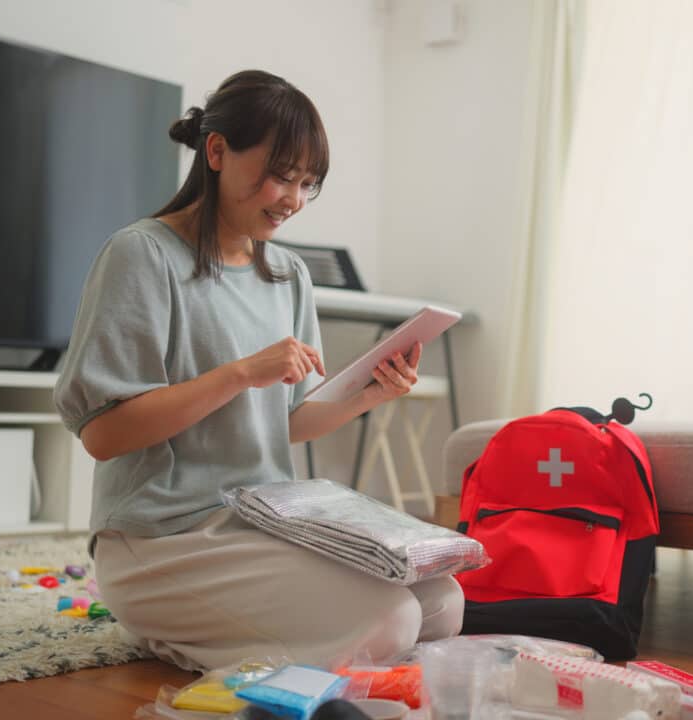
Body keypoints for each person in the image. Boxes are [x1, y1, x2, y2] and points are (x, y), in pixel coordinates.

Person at [53, 70, 464, 671]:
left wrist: (369, 392)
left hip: (257, 522)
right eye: (280, 175)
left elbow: (288, 423)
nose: (291, 200)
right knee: (392, 620)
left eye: (306, 184)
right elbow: (104, 434)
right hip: (161, 538)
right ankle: (176, 635)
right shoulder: (140, 255)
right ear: (216, 151)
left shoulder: (287, 274)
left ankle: (245, 635)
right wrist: (240, 373)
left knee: (440, 603)